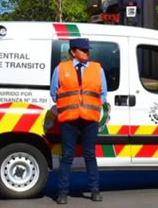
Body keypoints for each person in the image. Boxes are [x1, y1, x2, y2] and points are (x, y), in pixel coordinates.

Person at [50, 38, 108, 205]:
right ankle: (62, 193)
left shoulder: (97, 69)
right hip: (69, 118)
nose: (86, 53)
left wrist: (97, 103)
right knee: (67, 156)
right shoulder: (61, 69)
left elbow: (103, 93)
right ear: (73, 52)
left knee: (90, 154)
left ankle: (95, 190)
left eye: (88, 50)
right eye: (83, 50)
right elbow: (54, 92)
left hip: (89, 118)